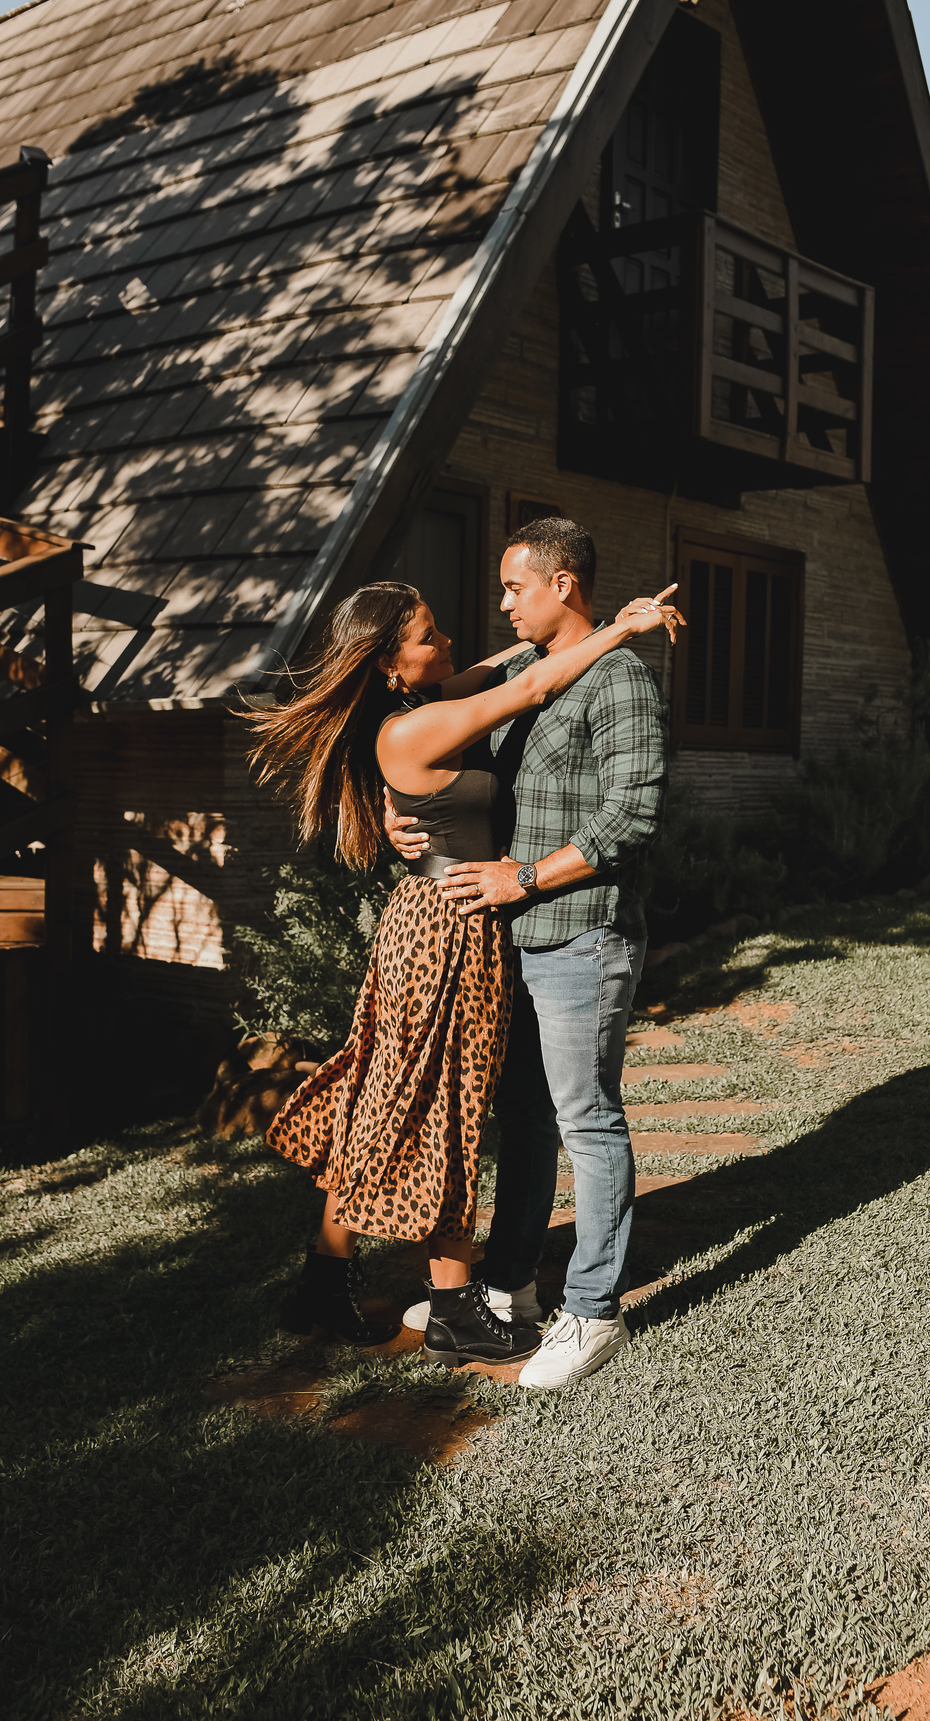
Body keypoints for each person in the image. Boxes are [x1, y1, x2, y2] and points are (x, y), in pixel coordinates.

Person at [248, 577, 681, 1368]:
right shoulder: (414, 728)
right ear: (388, 663)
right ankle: (452, 1308)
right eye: (427, 635)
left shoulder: (418, 705)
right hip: (447, 930)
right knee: (440, 1104)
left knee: (385, 1096)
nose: (445, 642)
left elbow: (506, 663)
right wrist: (622, 629)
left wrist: (559, 629)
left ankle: (323, 1277)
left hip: (435, 922)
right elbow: (533, 683)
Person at [386, 517, 673, 1389]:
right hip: (509, 942)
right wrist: (414, 831)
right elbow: (450, 755)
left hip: (582, 930)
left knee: (587, 1118)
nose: (502, 601)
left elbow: (631, 819)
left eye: (516, 586)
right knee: (523, 1117)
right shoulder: (521, 668)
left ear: (564, 586)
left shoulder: (622, 682)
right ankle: (510, 1286)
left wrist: (523, 879)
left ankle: (592, 1310)